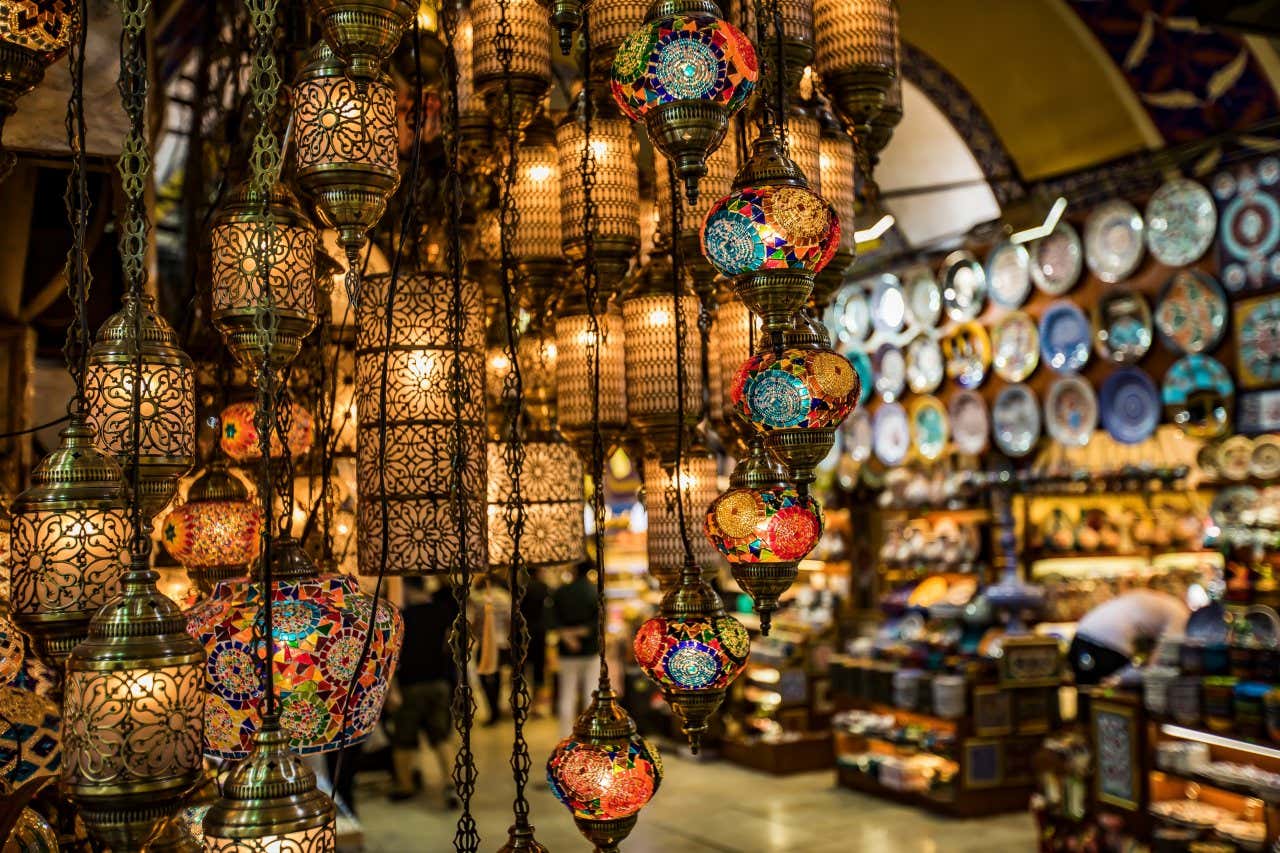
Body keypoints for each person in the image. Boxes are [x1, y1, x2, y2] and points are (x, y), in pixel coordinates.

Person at [388, 577, 459, 808]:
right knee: (441, 735)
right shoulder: (442, 612)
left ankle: (405, 786)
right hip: (439, 682)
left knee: (404, 739)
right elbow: (451, 645)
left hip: (411, 684)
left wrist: (393, 690)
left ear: (407, 589)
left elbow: (394, 659)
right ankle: (451, 784)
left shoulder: (401, 618)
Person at [1069, 589, 1190, 686]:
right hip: (1109, 642)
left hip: (1080, 637)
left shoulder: (1159, 601)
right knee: (1117, 696)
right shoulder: (1180, 613)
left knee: (1087, 693)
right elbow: (1162, 659)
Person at [547, 559, 601, 733]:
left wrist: (567, 635)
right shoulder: (594, 591)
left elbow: (551, 619)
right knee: (590, 695)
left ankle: (564, 737)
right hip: (590, 649)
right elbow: (598, 623)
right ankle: (590, 734)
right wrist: (580, 633)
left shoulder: (561, 591)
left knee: (566, 695)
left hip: (566, 651)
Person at [523, 567, 551, 717]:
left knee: (522, 668)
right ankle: (536, 707)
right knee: (538, 670)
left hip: (523, 632)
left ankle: (522, 704)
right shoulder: (544, 587)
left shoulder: (521, 587)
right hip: (540, 631)